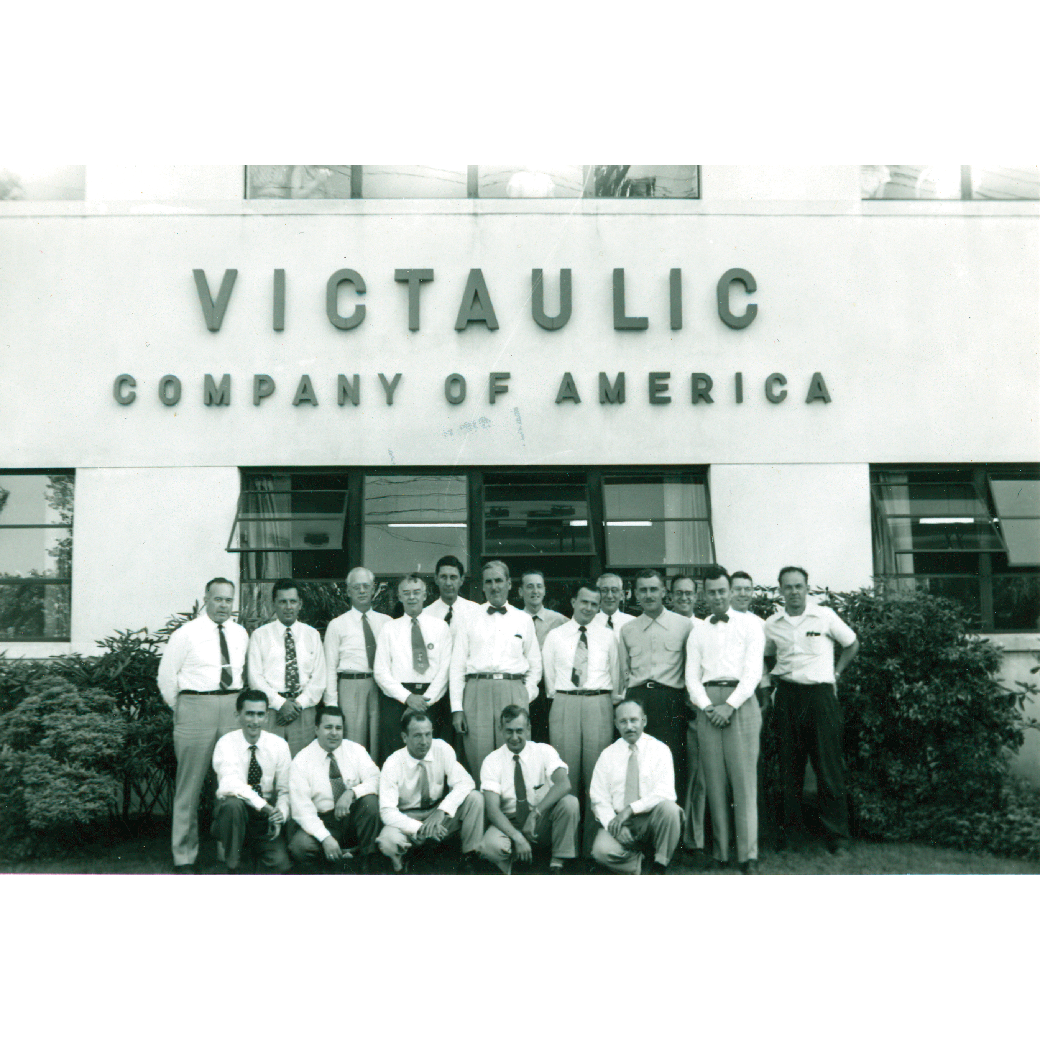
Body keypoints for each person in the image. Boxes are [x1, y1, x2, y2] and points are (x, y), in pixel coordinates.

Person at [764, 567, 860, 853]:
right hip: (788, 697)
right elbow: (768, 655)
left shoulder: (825, 616)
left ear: (807, 588)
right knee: (789, 767)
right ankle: (791, 833)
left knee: (828, 767)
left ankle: (837, 836)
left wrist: (836, 673)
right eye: (788, 587)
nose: (794, 591)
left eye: (799, 586)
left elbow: (852, 643)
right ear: (780, 590)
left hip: (820, 697)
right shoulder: (772, 624)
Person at [157, 577, 249, 873]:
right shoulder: (186, 633)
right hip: (195, 707)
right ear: (206, 599)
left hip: (231, 706)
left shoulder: (240, 633)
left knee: (230, 781)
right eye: (218, 599)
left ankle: (228, 852)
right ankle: (184, 856)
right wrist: (184, 708)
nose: (223, 605)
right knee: (190, 785)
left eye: (228, 600)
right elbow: (166, 678)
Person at [685, 566, 765, 873]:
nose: (717, 597)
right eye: (712, 592)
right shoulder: (698, 631)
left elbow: (753, 672)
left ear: (730, 591)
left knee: (744, 781)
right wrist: (708, 707)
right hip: (707, 705)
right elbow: (691, 677)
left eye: (722, 591)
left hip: (741, 703)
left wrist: (729, 706)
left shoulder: (751, 625)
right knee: (714, 781)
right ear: (704, 595)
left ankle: (747, 855)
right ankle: (720, 852)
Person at [543, 581, 620, 855]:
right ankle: (566, 846)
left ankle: (591, 846)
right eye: (584, 602)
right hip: (565, 701)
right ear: (573, 602)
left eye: (594, 604)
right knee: (567, 775)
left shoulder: (608, 637)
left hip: (598, 703)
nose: (588, 608)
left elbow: (616, 674)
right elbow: (549, 677)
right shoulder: (556, 636)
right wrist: (566, 698)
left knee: (597, 776)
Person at [450, 561, 541, 780]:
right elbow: (457, 666)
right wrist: (457, 708)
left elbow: (535, 664)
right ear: (482, 586)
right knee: (478, 756)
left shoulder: (523, 619)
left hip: (512, 690)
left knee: (513, 753)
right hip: (477, 692)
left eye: (499, 580)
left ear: (509, 584)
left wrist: (524, 694)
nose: (494, 586)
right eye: (488, 582)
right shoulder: (468, 618)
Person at [377, 710, 485, 873]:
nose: (424, 742)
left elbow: (466, 782)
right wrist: (420, 828)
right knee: (387, 841)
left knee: (475, 799)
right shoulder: (393, 763)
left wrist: (442, 811)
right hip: (408, 817)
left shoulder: (441, 748)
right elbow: (387, 812)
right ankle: (401, 864)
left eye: (428, 734)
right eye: (417, 736)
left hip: (437, 815)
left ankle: (469, 857)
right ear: (404, 737)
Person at [478, 705, 579, 875]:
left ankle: (557, 860)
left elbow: (564, 784)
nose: (514, 737)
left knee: (570, 803)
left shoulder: (544, 750)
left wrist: (534, 814)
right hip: (509, 822)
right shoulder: (492, 760)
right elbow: (493, 810)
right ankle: (516, 858)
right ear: (500, 729)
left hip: (539, 821)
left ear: (528, 729)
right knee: (490, 847)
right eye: (509, 731)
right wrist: (517, 837)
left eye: (519, 731)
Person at [619, 569, 692, 798]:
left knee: (673, 760)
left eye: (653, 589)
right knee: (638, 759)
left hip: (671, 700)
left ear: (663, 592)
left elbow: (691, 668)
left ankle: (672, 816)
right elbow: (624, 671)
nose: (648, 595)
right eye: (643, 590)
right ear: (635, 594)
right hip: (637, 699)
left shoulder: (684, 626)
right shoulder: (627, 629)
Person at [589, 698, 682, 875]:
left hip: (650, 819)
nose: (629, 727)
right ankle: (640, 863)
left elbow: (665, 792)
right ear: (616, 724)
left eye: (634, 720)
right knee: (601, 852)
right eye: (623, 721)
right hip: (619, 820)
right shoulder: (608, 755)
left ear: (644, 721)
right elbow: (598, 798)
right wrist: (616, 827)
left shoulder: (659, 750)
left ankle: (660, 864)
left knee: (671, 810)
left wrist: (631, 809)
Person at [288, 704, 381, 873]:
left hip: (352, 816)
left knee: (370, 802)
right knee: (300, 846)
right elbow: (302, 810)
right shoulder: (301, 761)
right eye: (328, 727)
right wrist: (325, 838)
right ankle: (331, 864)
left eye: (338, 728)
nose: (334, 733)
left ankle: (367, 862)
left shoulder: (355, 750)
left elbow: (376, 779)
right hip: (324, 820)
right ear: (316, 729)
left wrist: (351, 793)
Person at [374, 574, 452, 762]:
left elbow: (445, 670)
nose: (411, 597)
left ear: (425, 595)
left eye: (416, 592)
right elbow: (381, 671)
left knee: (431, 754)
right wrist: (408, 698)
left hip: (431, 698)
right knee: (395, 755)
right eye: (406, 593)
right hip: (397, 699)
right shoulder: (389, 629)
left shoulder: (440, 627)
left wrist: (425, 702)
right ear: (399, 596)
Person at [211, 690, 292, 873]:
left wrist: (279, 815)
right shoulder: (226, 743)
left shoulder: (279, 745)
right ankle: (233, 864)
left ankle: (251, 851)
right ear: (237, 715)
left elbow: (285, 789)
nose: (255, 721)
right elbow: (230, 783)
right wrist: (265, 806)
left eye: (260, 714)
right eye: (249, 714)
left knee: (281, 865)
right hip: (236, 814)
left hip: (264, 818)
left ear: (267, 717)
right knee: (232, 805)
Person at [247, 578, 327, 758]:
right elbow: (255, 678)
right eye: (283, 602)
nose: (288, 607)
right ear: (274, 604)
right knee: (269, 763)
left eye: (293, 601)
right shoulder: (260, 636)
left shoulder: (312, 635)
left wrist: (297, 705)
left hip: (304, 712)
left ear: (300, 604)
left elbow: (319, 678)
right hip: (271, 711)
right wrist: (280, 704)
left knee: (303, 764)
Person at [323, 566, 389, 756]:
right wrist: (331, 704)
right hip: (350, 686)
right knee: (353, 742)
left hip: (380, 687)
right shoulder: (337, 625)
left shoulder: (387, 622)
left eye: (366, 586)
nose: (361, 591)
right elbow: (329, 667)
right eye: (356, 587)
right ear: (348, 591)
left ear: (373, 589)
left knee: (378, 739)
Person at [730, 570, 773, 845]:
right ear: (729, 591)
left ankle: (755, 830)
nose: (743, 593)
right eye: (738, 588)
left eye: (748, 588)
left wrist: (765, 694)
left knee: (752, 764)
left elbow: (763, 665)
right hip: (724, 693)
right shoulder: (718, 622)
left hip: (752, 696)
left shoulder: (760, 624)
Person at [668, 576, 707, 858]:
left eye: (689, 593)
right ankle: (667, 833)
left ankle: (693, 838)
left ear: (696, 596)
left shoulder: (705, 628)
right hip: (668, 708)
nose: (684, 598)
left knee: (697, 776)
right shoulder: (663, 625)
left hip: (696, 708)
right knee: (668, 771)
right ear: (670, 596)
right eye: (678, 593)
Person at [520, 569, 567, 743]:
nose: (535, 591)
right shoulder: (514, 619)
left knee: (549, 738)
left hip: (550, 689)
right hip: (523, 686)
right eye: (530, 586)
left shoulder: (560, 621)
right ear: (520, 591)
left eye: (539, 586)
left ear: (545, 590)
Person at [423, 555, 480, 633]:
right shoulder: (426, 614)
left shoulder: (475, 611)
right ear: (436, 579)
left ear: (461, 580)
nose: (448, 583)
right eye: (443, 577)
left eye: (453, 577)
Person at [590, 572, 633, 640]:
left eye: (614, 590)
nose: (609, 596)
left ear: (621, 595)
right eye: (604, 590)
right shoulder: (588, 623)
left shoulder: (632, 623)